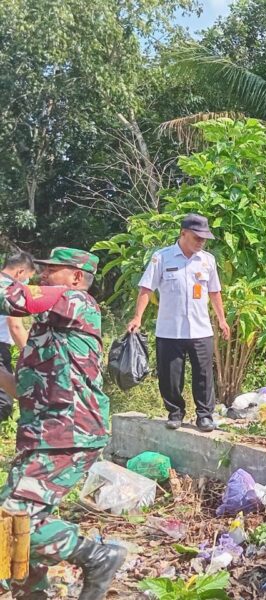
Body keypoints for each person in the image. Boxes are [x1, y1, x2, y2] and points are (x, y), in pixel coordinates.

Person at [0, 248, 126, 600]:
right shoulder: (50, 329)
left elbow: (13, 296)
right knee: (14, 521)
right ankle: (32, 592)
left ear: (75, 277)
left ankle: (97, 556)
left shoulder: (76, 302)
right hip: (43, 436)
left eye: (52, 270)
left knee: (15, 520)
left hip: (68, 433)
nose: (42, 275)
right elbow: (25, 388)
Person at [127, 214, 231, 433]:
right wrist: (138, 317)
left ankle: (204, 416)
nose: (201, 242)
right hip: (169, 330)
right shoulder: (162, 258)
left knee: (203, 375)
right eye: (197, 237)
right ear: (183, 233)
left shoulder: (207, 260)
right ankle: (175, 413)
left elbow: (214, 291)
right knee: (170, 376)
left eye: (204, 238)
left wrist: (221, 320)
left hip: (200, 329)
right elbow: (146, 288)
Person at [0, 251, 36, 422]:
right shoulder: (12, 290)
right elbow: (15, 326)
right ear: (20, 272)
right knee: (4, 402)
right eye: (28, 276)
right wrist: (31, 356)